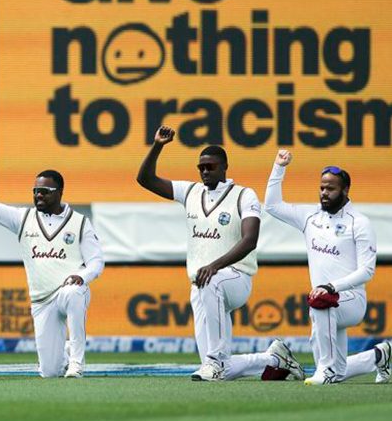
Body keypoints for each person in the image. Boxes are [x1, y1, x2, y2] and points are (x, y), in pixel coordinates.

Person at [136, 126, 304, 382]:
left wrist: (214, 266)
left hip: (235, 279)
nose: (205, 171)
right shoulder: (190, 192)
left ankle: (216, 360)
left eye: (210, 167)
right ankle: (273, 359)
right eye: (201, 167)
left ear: (225, 167)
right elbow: (145, 179)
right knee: (217, 369)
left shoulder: (244, 195)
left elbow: (250, 240)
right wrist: (158, 145)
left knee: (212, 351)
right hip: (202, 282)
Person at [265, 149, 389, 385]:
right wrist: (279, 167)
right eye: (322, 188)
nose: (324, 193)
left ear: (345, 190)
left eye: (330, 189)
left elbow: (367, 271)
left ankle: (327, 371)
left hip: (352, 299)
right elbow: (272, 206)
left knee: (320, 305)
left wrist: (331, 287)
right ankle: (378, 355)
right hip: (326, 297)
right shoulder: (310, 217)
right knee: (335, 362)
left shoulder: (359, 223)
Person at [0, 157, 104, 378]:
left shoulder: (80, 222)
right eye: (35, 191)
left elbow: (96, 261)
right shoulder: (23, 218)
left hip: (69, 290)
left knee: (73, 293)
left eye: (45, 191)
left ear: (60, 192)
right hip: (41, 300)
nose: (38, 195)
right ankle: (61, 355)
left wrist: (82, 276)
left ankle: (76, 364)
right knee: (49, 372)